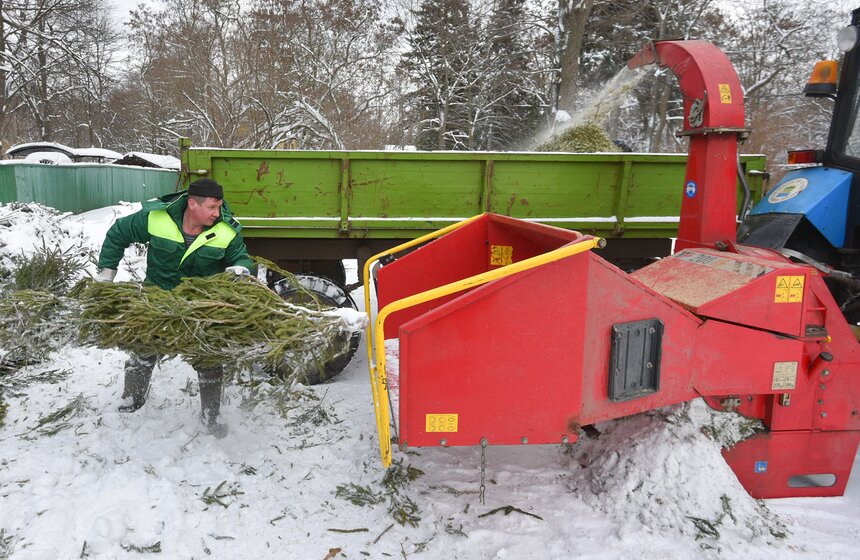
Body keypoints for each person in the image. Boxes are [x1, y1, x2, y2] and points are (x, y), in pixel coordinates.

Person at [95, 178, 254, 437]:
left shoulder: (227, 230)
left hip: (200, 306)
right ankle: (132, 401)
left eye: (219, 207)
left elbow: (241, 256)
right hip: (157, 301)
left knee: (210, 359)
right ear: (192, 204)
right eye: (212, 207)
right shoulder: (157, 218)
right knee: (143, 349)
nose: (218, 213)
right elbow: (118, 233)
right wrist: (106, 273)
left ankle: (211, 417)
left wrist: (242, 268)